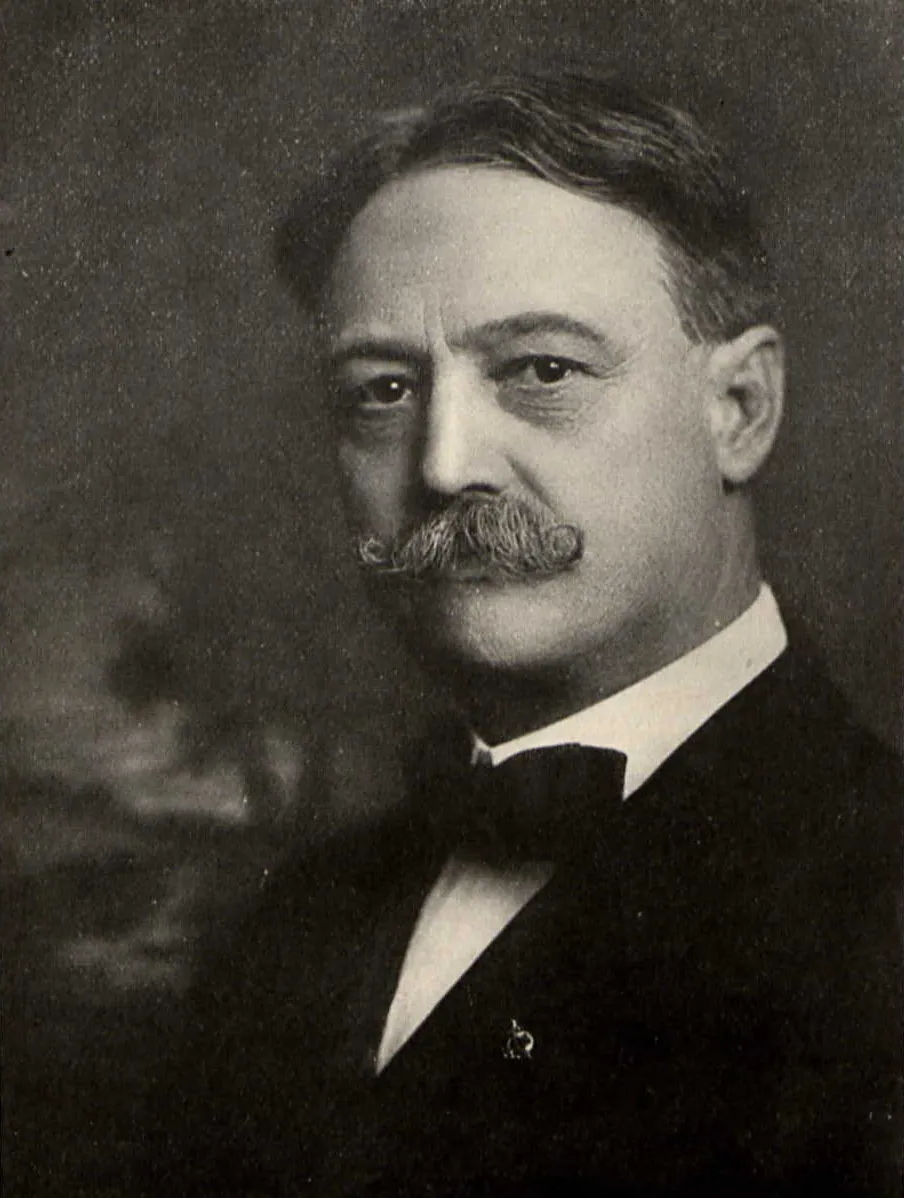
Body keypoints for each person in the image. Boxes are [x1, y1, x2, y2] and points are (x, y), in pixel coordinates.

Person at [145, 71, 902, 1197]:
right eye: (382, 390)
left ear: (739, 410)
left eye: (543, 370)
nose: (445, 463)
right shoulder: (295, 925)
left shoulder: (878, 905)